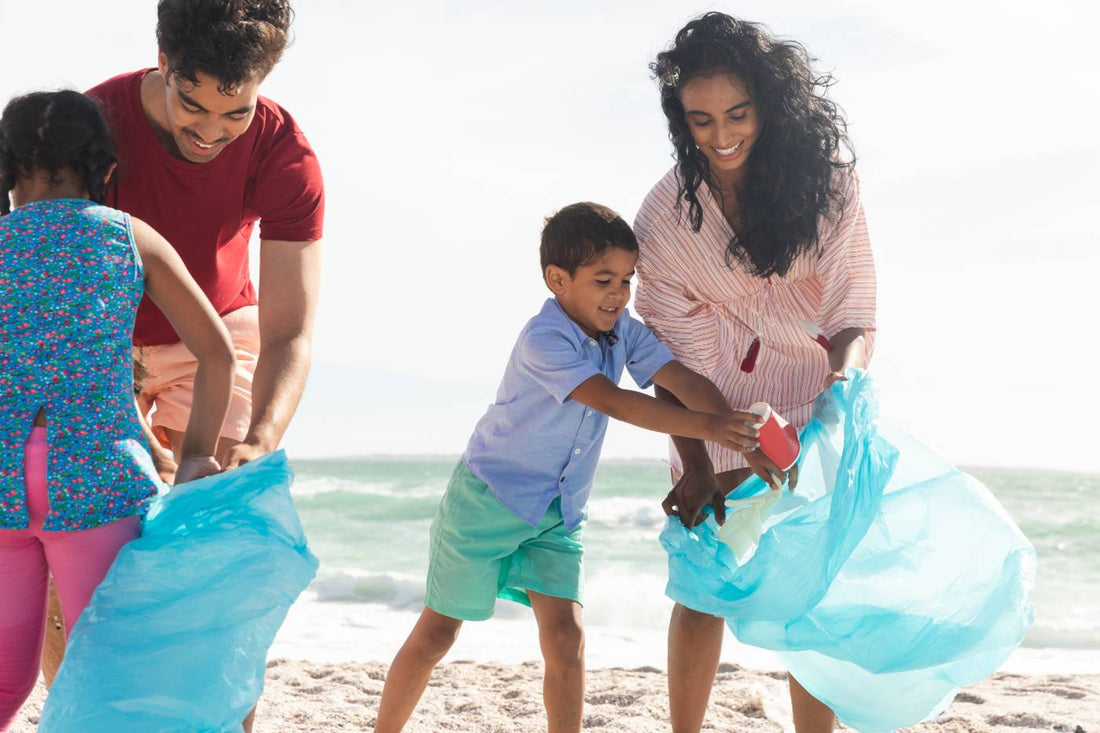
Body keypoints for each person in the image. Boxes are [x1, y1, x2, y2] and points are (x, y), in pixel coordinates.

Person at [373, 202, 765, 733]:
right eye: (603, 280)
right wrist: (712, 431)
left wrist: (741, 434)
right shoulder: (544, 339)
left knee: (566, 636)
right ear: (558, 279)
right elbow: (616, 401)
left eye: (627, 279)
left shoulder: (625, 330)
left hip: (558, 513)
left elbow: (681, 380)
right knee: (439, 633)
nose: (619, 294)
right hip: (488, 500)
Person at [40, 4, 324, 727]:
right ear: (161, 56)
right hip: (95, 341)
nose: (209, 131)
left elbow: (290, 333)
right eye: (191, 103)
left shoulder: (285, 155)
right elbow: (44, 274)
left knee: (223, 549)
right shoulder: (90, 127)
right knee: (74, 548)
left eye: (234, 113)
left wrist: (258, 442)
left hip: (219, 335)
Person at [632, 13, 876, 733]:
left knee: (811, 587)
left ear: (769, 104)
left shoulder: (830, 188)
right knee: (703, 581)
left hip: (817, 402)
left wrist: (841, 389)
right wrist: (702, 458)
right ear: (682, 119)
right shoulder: (666, 217)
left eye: (737, 114)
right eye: (700, 119)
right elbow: (667, 360)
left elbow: (853, 315)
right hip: (715, 408)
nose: (721, 134)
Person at [0, 89, 235, 730]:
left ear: (9, 168)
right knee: (106, 682)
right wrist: (194, 458)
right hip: (96, 484)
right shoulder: (129, 237)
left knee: (2, 679)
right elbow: (217, 354)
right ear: (104, 168)